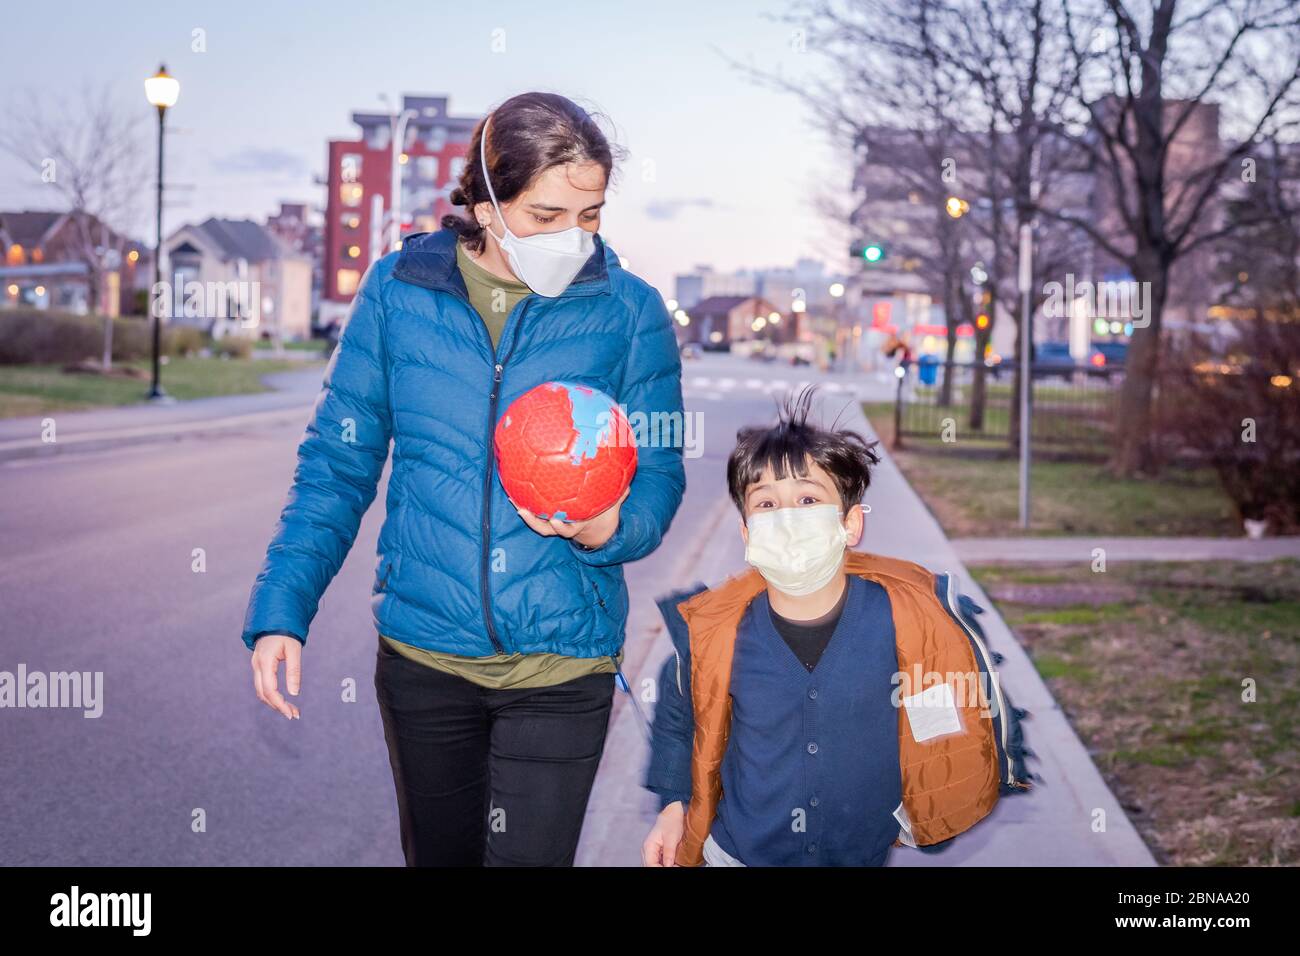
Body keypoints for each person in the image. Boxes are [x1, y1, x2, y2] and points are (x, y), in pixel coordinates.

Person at [240, 91, 686, 866]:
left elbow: (660, 471)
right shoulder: (397, 292)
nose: (574, 239)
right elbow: (337, 464)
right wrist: (282, 605)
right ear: (484, 204)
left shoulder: (629, 310)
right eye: (547, 217)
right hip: (424, 663)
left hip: (562, 664)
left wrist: (611, 528)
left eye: (591, 216)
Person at [641, 386, 1032, 866]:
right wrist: (673, 806)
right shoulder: (714, 634)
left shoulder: (906, 621)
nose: (787, 519)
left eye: (808, 499)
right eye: (766, 505)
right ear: (746, 533)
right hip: (738, 855)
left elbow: (952, 705)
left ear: (850, 524)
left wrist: (937, 801)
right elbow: (679, 720)